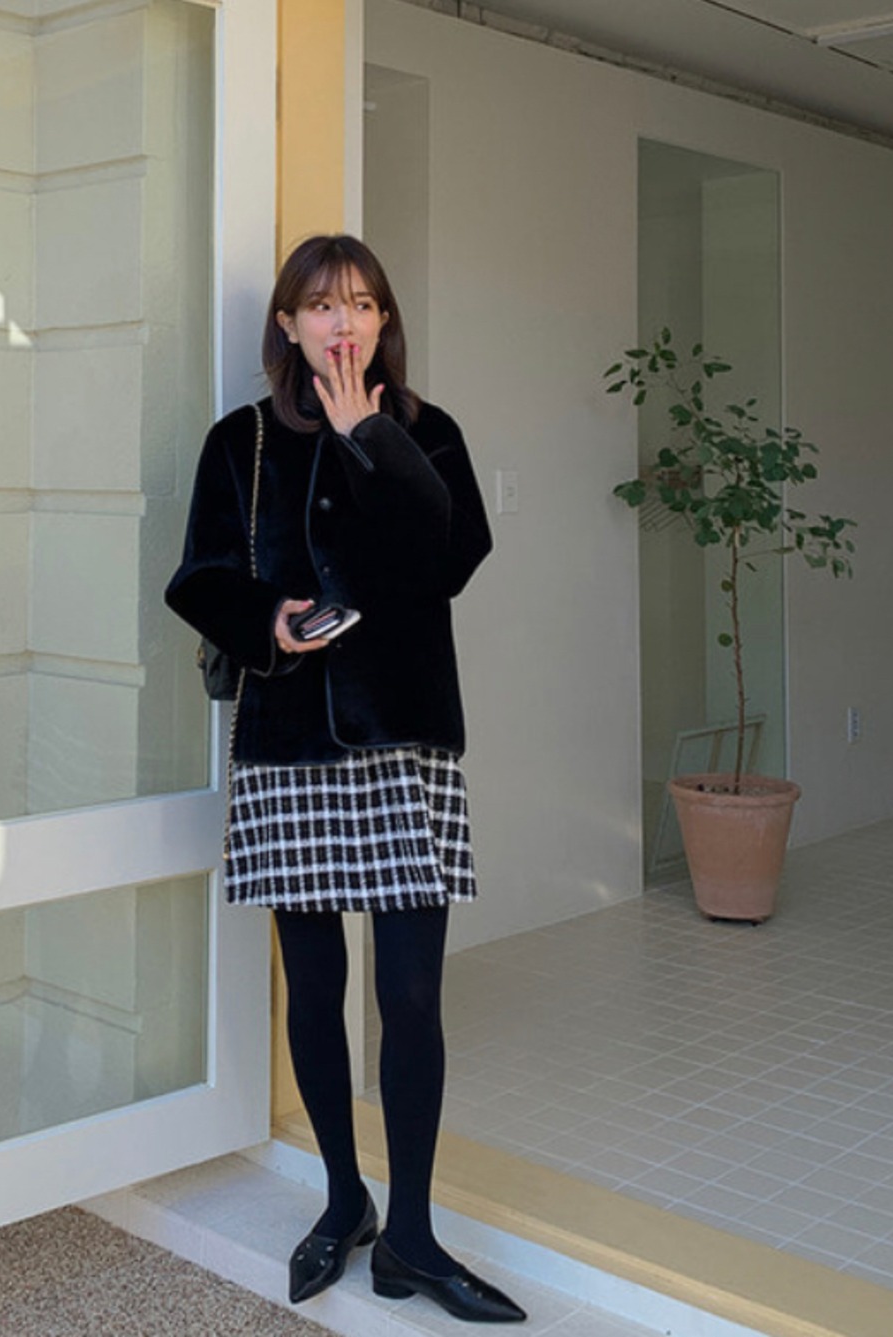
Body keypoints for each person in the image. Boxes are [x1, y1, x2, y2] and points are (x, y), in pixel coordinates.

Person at [165, 235, 525, 1325]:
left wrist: (370, 431)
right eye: (322, 305)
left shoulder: (424, 430)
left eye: (363, 303)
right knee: (313, 988)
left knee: (409, 994)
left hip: (404, 739)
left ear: (382, 321)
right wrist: (267, 620)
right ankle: (341, 1197)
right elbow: (196, 577)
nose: (344, 322)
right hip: (288, 740)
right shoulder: (240, 442)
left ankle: (410, 1232)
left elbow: (454, 554)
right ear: (286, 323)